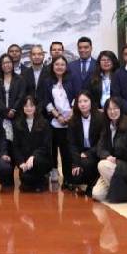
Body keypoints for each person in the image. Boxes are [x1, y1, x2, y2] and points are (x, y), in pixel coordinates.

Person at [0, 53, 26, 187]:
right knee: (3, 146)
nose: (7, 65)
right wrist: (5, 111)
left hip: (17, 118)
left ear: (13, 64)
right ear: (1, 65)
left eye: (9, 62)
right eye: (4, 63)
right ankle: (5, 179)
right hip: (1, 117)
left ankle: (21, 176)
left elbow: (21, 96)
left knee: (15, 147)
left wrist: (14, 110)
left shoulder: (20, 79)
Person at [41, 55, 76, 189]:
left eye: (62, 64)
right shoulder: (47, 81)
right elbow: (46, 101)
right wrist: (58, 116)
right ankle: (54, 172)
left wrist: (70, 116)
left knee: (67, 152)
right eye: (57, 64)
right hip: (54, 121)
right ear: (53, 66)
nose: (59, 67)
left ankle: (68, 179)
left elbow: (77, 98)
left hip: (70, 121)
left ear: (66, 66)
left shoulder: (72, 79)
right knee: (52, 149)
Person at [90, 97, 127, 203]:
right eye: (109, 109)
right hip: (111, 165)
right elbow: (100, 148)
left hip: (126, 166)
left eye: (115, 108)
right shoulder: (106, 126)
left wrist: (116, 159)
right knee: (97, 194)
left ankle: (124, 191)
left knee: (102, 165)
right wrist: (108, 156)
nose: (112, 111)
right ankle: (123, 191)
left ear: (121, 109)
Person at [12, 95, 53, 193]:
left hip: (41, 159)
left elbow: (46, 146)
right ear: (22, 108)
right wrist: (21, 162)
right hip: (25, 162)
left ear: (35, 107)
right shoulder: (17, 124)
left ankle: (43, 178)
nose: (29, 108)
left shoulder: (44, 123)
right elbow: (16, 147)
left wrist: (34, 156)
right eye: (26, 106)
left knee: (38, 184)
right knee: (26, 180)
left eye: (31, 105)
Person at [67, 90, 105, 194]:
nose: (83, 104)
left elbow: (102, 142)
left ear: (91, 101)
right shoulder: (73, 121)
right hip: (80, 153)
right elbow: (72, 144)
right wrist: (76, 163)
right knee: (75, 175)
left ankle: (92, 184)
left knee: (87, 163)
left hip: (96, 152)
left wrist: (88, 153)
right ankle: (85, 183)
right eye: (80, 102)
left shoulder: (100, 118)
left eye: (85, 101)